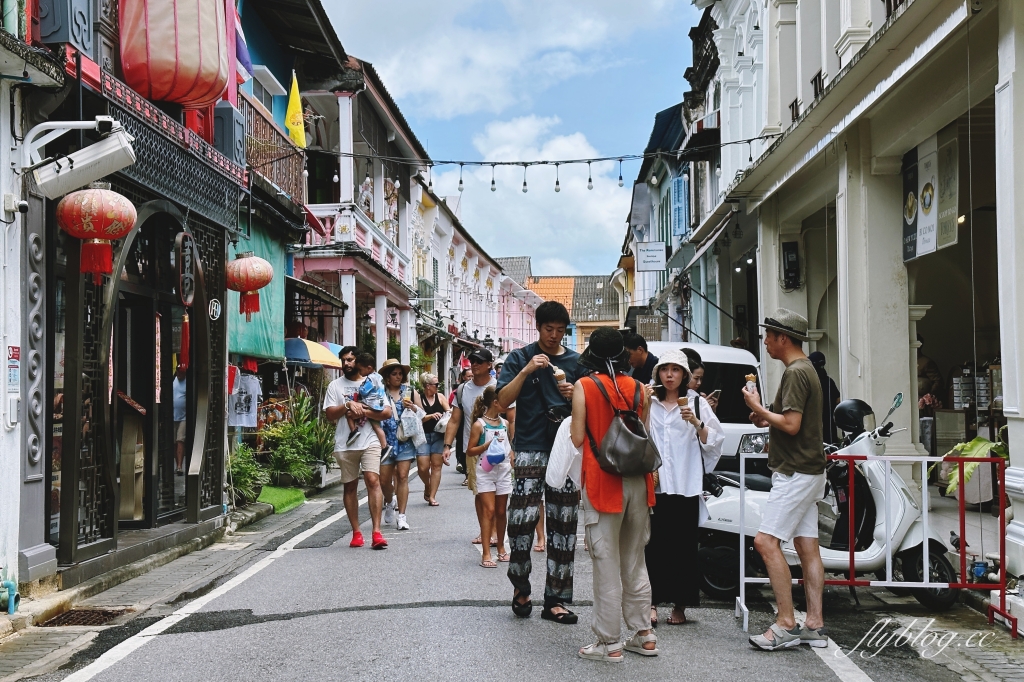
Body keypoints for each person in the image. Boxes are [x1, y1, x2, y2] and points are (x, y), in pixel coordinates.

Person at [569, 327, 657, 661]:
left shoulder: (585, 386)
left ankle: (609, 643)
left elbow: (578, 437)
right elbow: (640, 434)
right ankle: (643, 634)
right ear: (622, 354)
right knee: (635, 560)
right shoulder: (638, 388)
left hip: (603, 483)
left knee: (606, 562)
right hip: (637, 481)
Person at [742, 309, 827, 650]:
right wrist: (764, 417)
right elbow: (791, 421)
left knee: (765, 542)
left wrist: (758, 408)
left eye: (768, 335)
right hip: (809, 470)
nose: (765, 341)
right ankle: (815, 625)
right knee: (807, 547)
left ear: (783, 338)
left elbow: (791, 425)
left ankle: (785, 623)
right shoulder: (806, 370)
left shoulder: (795, 373)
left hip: (795, 472)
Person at [497, 300, 585, 624]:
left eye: (561, 331)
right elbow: (503, 400)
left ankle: (557, 600)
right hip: (530, 445)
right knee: (521, 521)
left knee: (564, 523)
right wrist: (527, 370)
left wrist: (574, 391)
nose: (555, 336)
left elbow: (589, 403)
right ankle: (521, 587)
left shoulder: (576, 361)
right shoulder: (521, 357)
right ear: (538, 327)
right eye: (550, 330)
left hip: (565, 447)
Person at [645, 349, 724, 626]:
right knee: (653, 546)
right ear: (658, 374)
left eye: (675, 370)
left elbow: (714, 441)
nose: (669, 375)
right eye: (665, 370)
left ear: (684, 375)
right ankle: (651, 603)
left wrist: (696, 421)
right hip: (657, 484)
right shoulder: (649, 402)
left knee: (684, 547)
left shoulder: (697, 403)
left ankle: (680, 605)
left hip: (686, 484)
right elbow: (639, 435)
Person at [323, 346, 393, 549]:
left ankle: (377, 532)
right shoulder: (335, 386)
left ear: (358, 361)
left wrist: (363, 411)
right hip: (346, 442)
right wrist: (346, 406)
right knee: (350, 486)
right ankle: (356, 532)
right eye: (343, 360)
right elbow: (329, 415)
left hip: (369, 439)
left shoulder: (372, 380)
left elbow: (386, 412)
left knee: (373, 480)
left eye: (350, 360)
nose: (347, 364)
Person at [443, 349, 497, 544]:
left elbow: (511, 417)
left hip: (496, 448)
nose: (474, 364)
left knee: (497, 494)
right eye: (472, 361)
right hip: (472, 450)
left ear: (490, 364)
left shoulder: (499, 387)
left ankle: (495, 532)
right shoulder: (462, 390)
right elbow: (455, 420)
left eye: (479, 361)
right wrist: (447, 445)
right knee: (479, 492)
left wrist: (513, 447)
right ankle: (485, 531)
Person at [465, 387, 513, 568]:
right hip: (485, 470)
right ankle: (486, 553)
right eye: (504, 400)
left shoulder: (505, 424)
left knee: (501, 511)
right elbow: (470, 451)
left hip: (503, 470)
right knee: (489, 511)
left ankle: (501, 548)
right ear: (495, 402)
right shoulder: (479, 425)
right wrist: (485, 446)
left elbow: (508, 446)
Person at [380, 359, 417, 531]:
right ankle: (389, 501)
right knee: (384, 480)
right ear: (387, 377)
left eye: (400, 374)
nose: (398, 377)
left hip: (404, 440)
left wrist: (413, 408)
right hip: (385, 441)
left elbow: (421, 413)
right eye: (394, 374)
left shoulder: (408, 392)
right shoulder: (380, 393)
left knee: (403, 476)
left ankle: (402, 516)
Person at [414, 372, 449, 506]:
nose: (438, 387)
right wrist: (430, 416)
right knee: (422, 467)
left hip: (438, 435)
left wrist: (447, 414)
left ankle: (432, 496)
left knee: (436, 466)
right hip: (422, 436)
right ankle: (428, 485)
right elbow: (417, 418)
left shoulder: (440, 397)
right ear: (428, 386)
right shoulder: (419, 398)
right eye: (436, 384)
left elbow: (449, 411)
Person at [350, 353, 390, 457]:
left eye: (360, 369)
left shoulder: (370, 378)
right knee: (376, 426)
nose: (359, 372)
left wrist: (361, 388)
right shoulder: (379, 376)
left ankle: (353, 431)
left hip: (372, 403)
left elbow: (364, 391)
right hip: (379, 403)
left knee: (350, 412)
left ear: (369, 368)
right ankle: (385, 446)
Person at [808, 351, 841, 445]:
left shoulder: (810, 382)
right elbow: (838, 400)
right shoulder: (829, 381)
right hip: (830, 424)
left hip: (814, 424)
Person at [450, 367, 474, 475]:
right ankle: (461, 462)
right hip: (461, 420)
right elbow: (451, 407)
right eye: (468, 376)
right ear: (463, 377)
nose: (470, 378)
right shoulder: (459, 391)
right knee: (461, 441)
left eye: (471, 376)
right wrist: (447, 445)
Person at [172, 364, 187, 475]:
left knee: (180, 440)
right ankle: (177, 464)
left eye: (182, 372)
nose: (180, 374)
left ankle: (179, 466)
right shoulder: (173, 380)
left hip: (183, 417)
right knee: (173, 442)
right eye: (178, 372)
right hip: (172, 416)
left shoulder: (187, 382)